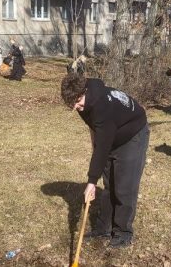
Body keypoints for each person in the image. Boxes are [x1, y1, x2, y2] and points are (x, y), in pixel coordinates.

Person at [60, 72, 149, 248]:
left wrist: (91, 181)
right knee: (110, 185)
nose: (74, 107)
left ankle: (123, 232)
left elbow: (102, 149)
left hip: (133, 134)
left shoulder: (101, 106)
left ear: (84, 92)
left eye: (77, 102)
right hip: (111, 132)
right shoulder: (83, 101)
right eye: (71, 104)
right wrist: (94, 143)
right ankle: (104, 228)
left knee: (124, 186)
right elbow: (94, 128)